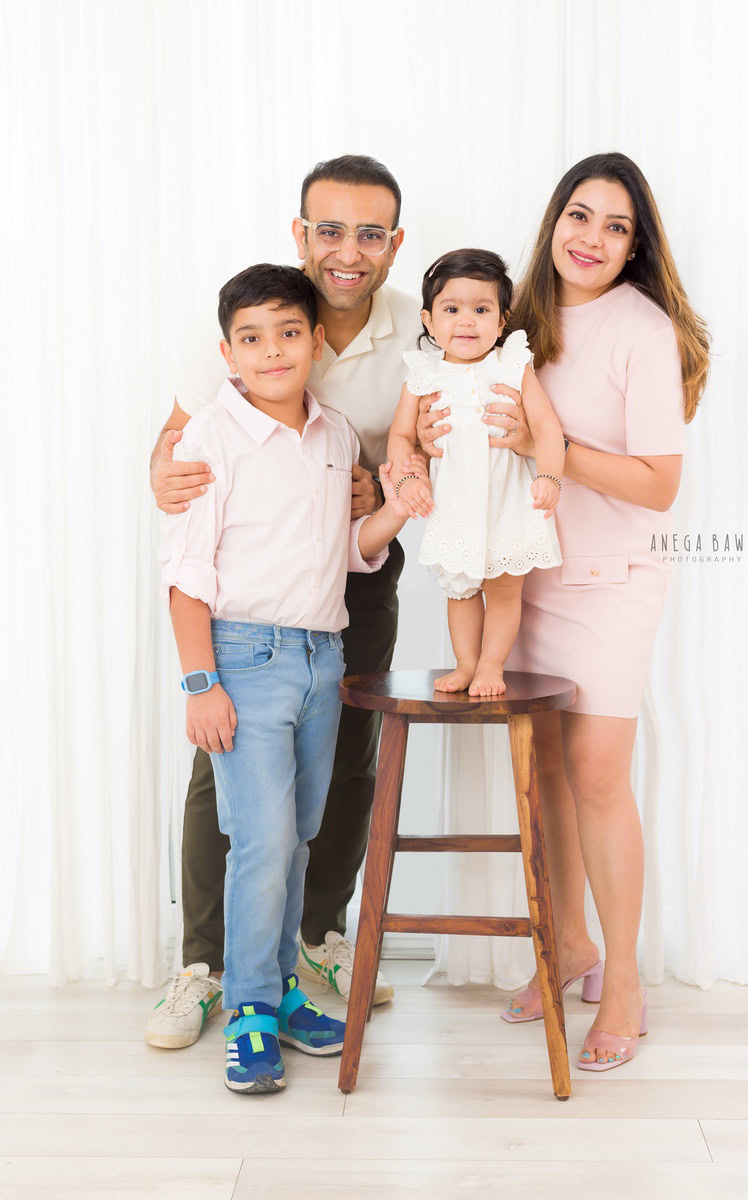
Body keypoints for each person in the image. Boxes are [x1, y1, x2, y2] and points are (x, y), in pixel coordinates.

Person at [417, 153, 709, 1071]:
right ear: (554, 221)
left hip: (611, 579)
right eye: (579, 216)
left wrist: (554, 448)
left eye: (616, 227)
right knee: (541, 776)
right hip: (521, 577)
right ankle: (568, 945)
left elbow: (660, 486)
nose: (591, 238)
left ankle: (622, 981)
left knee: (595, 775)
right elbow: (459, 418)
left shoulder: (642, 329)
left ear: (636, 246)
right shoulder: (513, 320)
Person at [147, 156, 425, 1049]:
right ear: (300, 233)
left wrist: (382, 490)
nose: (349, 250)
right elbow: (179, 444)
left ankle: (311, 946)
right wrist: (164, 467)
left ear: (393, 243)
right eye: (330, 229)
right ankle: (211, 970)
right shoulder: (259, 310)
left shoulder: (413, 335)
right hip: (244, 609)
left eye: (369, 232)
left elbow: (419, 464)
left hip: (342, 595)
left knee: (339, 770)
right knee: (229, 784)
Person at [388, 248, 564, 696]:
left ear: (502, 322)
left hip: (507, 500)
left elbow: (546, 428)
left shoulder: (512, 365)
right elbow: (401, 437)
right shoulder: (423, 375)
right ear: (428, 320)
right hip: (455, 504)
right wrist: (410, 478)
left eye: (481, 310)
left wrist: (549, 476)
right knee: (461, 591)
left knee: (504, 591)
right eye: (452, 309)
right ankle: (466, 663)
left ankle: (492, 665)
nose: (467, 321)